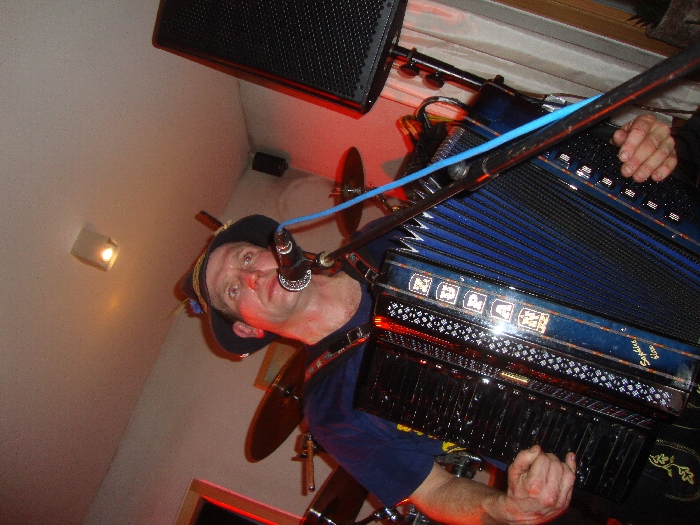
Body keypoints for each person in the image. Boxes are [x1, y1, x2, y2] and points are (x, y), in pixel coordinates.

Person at [181, 113, 693, 525]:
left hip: (660, 320)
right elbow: (434, 491)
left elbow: (552, 207)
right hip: (603, 449)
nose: (251, 276)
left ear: (274, 247)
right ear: (246, 328)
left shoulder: (395, 237)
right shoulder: (329, 410)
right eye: (233, 289)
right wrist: (504, 509)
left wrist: (627, 152)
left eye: (246, 258)